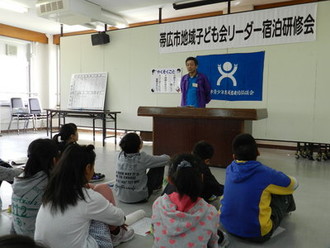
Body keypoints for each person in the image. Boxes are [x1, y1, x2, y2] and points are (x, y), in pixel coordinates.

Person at [35, 144, 134, 248]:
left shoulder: (52, 190)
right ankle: (117, 235)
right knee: (100, 214)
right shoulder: (88, 198)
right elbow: (119, 218)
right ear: (87, 168)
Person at [220, 133, 298, 243]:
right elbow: (293, 185)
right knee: (284, 192)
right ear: (258, 152)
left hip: (227, 225)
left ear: (234, 156)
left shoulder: (229, 168)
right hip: (257, 233)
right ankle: (287, 211)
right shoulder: (266, 173)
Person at [151, 153, 229, 248]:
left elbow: (155, 233)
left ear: (170, 180)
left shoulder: (157, 204)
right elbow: (213, 244)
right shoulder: (210, 212)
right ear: (201, 178)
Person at [11, 139, 59, 238]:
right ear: (54, 160)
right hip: (40, 241)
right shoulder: (51, 183)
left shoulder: (20, 179)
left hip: (19, 239)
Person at [162, 141, 224, 209]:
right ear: (207, 161)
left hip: (168, 202)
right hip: (191, 205)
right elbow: (217, 189)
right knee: (217, 200)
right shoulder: (202, 169)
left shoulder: (179, 163)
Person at [114, 132, 170, 203]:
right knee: (158, 164)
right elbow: (166, 159)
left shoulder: (119, 156)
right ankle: (156, 188)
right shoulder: (143, 158)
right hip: (140, 198)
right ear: (139, 146)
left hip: (120, 196)